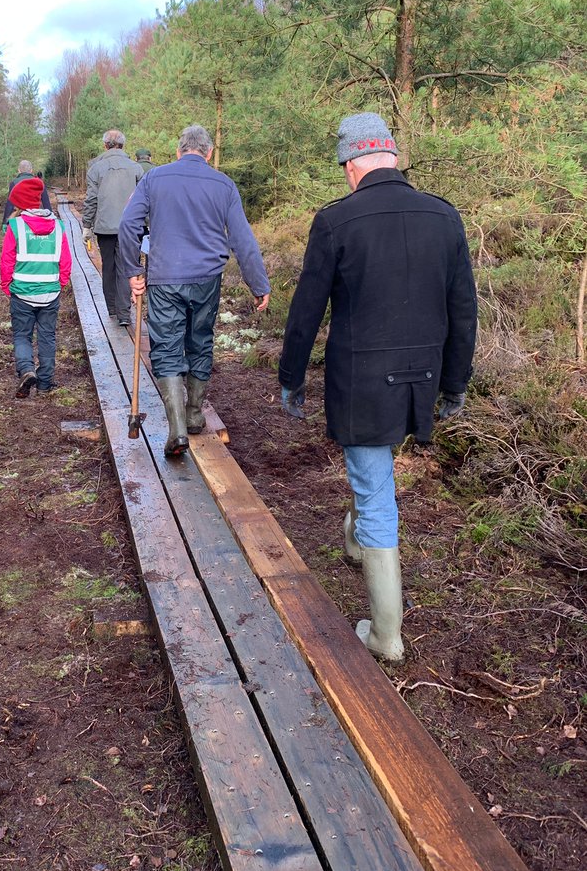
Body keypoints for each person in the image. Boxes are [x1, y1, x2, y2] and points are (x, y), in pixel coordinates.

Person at [278, 112, 477, 661]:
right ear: (392, 156)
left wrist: (291, 378)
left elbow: (306, 311)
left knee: (375, 494)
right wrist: (455, 382)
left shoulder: (337, 221)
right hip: (421, 380)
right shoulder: (444, 216)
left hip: (362, 382)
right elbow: (463, 311)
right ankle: (354, 539)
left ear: (352, 162)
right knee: (375, 473)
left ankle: (386, 636)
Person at [119, 124, 270, 457]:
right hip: (207, 279)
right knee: (200, 339)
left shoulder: (154, 178)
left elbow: (128, 224)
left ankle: (175, 430)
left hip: (164, 277)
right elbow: (242, 238)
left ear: (178, 150)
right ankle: (194, 414)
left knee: (166, 346)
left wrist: (132, 271)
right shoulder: (224, 185)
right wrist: (258, 284)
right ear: (209, 152)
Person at [0, 176, 72, 398]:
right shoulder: (59, 226)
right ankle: (45, 383)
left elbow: (7, 260)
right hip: (50, 293)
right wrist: (60, 283)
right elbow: (66, 261)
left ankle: (27, 370)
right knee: (47, 336)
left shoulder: (15, 226)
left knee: (22, 335)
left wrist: (7, 285)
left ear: (20, 202)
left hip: (22, 293)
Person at [82, 130, 144, 327]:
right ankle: (124, 313)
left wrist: (86, 225)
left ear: (105, 145)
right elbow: (143, 200)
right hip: (131, 228)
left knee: (108, 267)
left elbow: (91, 199)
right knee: (126, 267)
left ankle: (111, 309)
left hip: (105, 227)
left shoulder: (95, 168)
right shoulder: (136, 168)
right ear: (123, 146)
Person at [2, 159, 51, 226]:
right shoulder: (39, 183)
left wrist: (5, 222)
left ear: (19, 170)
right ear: (31, 170)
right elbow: (46, 202)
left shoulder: (14, 183)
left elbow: (10, 204)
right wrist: (51, 217)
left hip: (19, 217)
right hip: (35, 216)